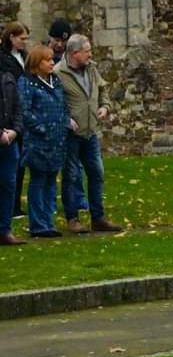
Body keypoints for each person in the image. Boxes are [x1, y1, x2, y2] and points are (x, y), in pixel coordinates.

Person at [57, 34, 122, 233]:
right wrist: (64, 118)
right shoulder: (58, 73)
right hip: (71, 134)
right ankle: (72, 218)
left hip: (90, 132)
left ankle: (98, 217)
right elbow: (52, 100)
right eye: (87, 51)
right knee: (71, 176)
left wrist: (105, 106)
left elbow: (103, 90)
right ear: (75, 53)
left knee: (97, 173)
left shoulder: (92, 68)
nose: (90, 55)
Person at [17, 45, 68, 238]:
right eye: (47, 60)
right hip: (38, 141)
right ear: (37, 63)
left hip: (57, 140)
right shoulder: (27, 83)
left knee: (50, 182)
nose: (52, 63)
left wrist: (64, 122)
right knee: (38, 181)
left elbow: (63, 105)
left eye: (52, 60)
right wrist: (41, 128)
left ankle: (48, 220)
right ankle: (38, 224)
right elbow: (24, 110)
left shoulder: (55, 81)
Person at [1, 22, 31, 218]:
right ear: (11, 37)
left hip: (21, 112)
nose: (24, 42)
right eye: (21, 38)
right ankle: (9, 207)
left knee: (19, 163)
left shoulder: (24, 57)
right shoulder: (3, 59)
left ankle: (15, 205)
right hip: (8, 114)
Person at [0, 52, 24, 245]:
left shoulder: (8, 77)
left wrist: (15, 131)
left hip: (9, 140)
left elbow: (18, 106)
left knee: (9, 184)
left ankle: (4, 230)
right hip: (3, 136)